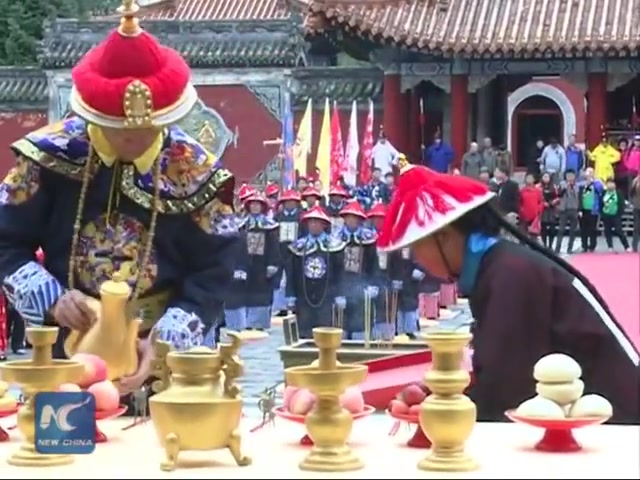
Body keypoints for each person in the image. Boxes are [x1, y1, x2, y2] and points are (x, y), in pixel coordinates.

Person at [0, 1, 238, 396]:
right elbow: (5, 241)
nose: (135, 139)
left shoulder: (198, 173)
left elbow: (216, 273)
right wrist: (52, 299)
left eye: (151, 129)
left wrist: (165, 340)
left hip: (165, 361)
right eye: (120, 130)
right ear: (93, 116)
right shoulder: (47, 158)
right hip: (68, 348)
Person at [378, 164, 639, 424]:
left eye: (416, 248)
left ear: (444, 237)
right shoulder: (498, 265)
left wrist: (445, 409)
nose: (417, 260)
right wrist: (444, 393)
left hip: (618, 425)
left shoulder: (509, 275)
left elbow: (507, 392)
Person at [285, 206, 345, 338]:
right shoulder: (298, 247)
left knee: (325, 331)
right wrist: (290, 295)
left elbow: (340, 272)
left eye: (317, 222)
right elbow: (291, 273)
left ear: (324, 225)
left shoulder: (335, 246)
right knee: (304, 331)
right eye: (311, 222)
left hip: (327, 296)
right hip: (303, 296)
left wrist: (340, 294)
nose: (313, 225)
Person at [227, 194, 281, 332]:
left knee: (261, 293)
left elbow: (275, 246)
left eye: (258, 204)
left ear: (263, 207)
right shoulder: (242, 225)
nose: (255, 207)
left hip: (263, 264)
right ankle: (246, 322)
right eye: (252, 204)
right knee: (245, 291)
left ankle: (259, 323)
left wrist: (273, 263)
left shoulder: (271, 226)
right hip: (246, 263)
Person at [334, 200, 379, 339]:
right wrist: (336, 292)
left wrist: (373, 284)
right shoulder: (335, 238)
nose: (352, 220)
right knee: (342, 323)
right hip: (342, 284)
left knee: (361, 321)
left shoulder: (369, 239)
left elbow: (374, 264)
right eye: (349, 217)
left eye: (355, 218)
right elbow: (333, 269)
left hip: (363, 285)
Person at [272, 189, 303, 316]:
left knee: (295, 277)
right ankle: (280, 305)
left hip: (296, 252)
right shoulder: (277, 217)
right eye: (288, 202)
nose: (290, 204)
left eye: (293, 202)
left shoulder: (301, 217)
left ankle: (294, 303)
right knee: (278, 278)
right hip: (280, 250)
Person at [554, 170, 581, 254]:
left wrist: (579, 210)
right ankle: (557, 248)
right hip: (564, 209)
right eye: (568, 176)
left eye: (572, 176)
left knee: (573, 231)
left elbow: (580, 198)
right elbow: (558, 195)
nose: (570, 177)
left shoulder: (577, 186)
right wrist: (565, 188)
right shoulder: (562, 184)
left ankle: (570, 248)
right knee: (561, 230)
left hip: (574, 209)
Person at [600, 178, 631, 252]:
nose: (610, 185)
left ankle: (626, 246)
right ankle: (610, 246)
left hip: (615, 215)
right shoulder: (604, 192)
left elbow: (621, 204)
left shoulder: (618, 193)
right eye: (609, 183)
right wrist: (602, 213)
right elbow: (600, 203)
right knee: (607, 231)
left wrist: (619, 213)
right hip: (606, 215)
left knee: (619, 231)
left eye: (612, 183)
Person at [578, 168, 604, 252]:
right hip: (583, 209)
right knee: (583, 229)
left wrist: (592, 183)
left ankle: (592, 245)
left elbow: (600, 190)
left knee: (593, 229)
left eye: (591, 172)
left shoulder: (597, 183)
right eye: (588, 172)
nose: (589, 174)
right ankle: (584, 245)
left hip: (593, 210)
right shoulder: (581, 184)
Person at [518, 173, 543, 240]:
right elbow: (519, 202)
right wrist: (521, 210)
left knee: (533, 238)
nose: (529, 180)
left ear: (534, 180)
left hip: (534, 217)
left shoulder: (538, 191)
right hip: (524, 217)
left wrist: (538, 210)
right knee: (522, 237)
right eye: (527, 178)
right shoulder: (522, 191)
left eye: (530, 178)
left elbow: (541, 202)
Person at [539, 172, 559, 249]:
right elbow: (537, 198)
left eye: (547, 177)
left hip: (552, 209)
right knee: (543, 228)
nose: (546, 178)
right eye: (544, 176)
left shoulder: (554, 187)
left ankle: (551, 245)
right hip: (543, 210)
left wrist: (554, 201)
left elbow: (558, 197)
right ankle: (545, 244)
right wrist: (543, 203)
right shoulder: (538, 187)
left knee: (552, 229)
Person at [630, 172, 640, 252]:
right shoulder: (635, 181)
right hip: (637, 206)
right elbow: (631, 193)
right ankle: (634, 246)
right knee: (636, 227)